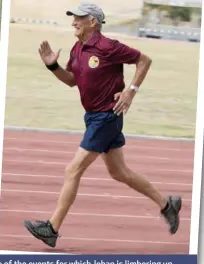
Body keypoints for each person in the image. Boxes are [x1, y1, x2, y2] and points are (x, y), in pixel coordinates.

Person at [23, 3, 181, 248]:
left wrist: (130, 92)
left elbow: (144, 61)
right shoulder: (77, 49)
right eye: (73, 18)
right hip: (93, 117)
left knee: (72, 170)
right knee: (120, 173)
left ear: (93, 22)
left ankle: (51, 228)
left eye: (79, 18)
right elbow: (71, 81)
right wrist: (52, 65)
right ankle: (166, 204)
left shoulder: (108, 46)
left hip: (107, 116)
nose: (74, 22)